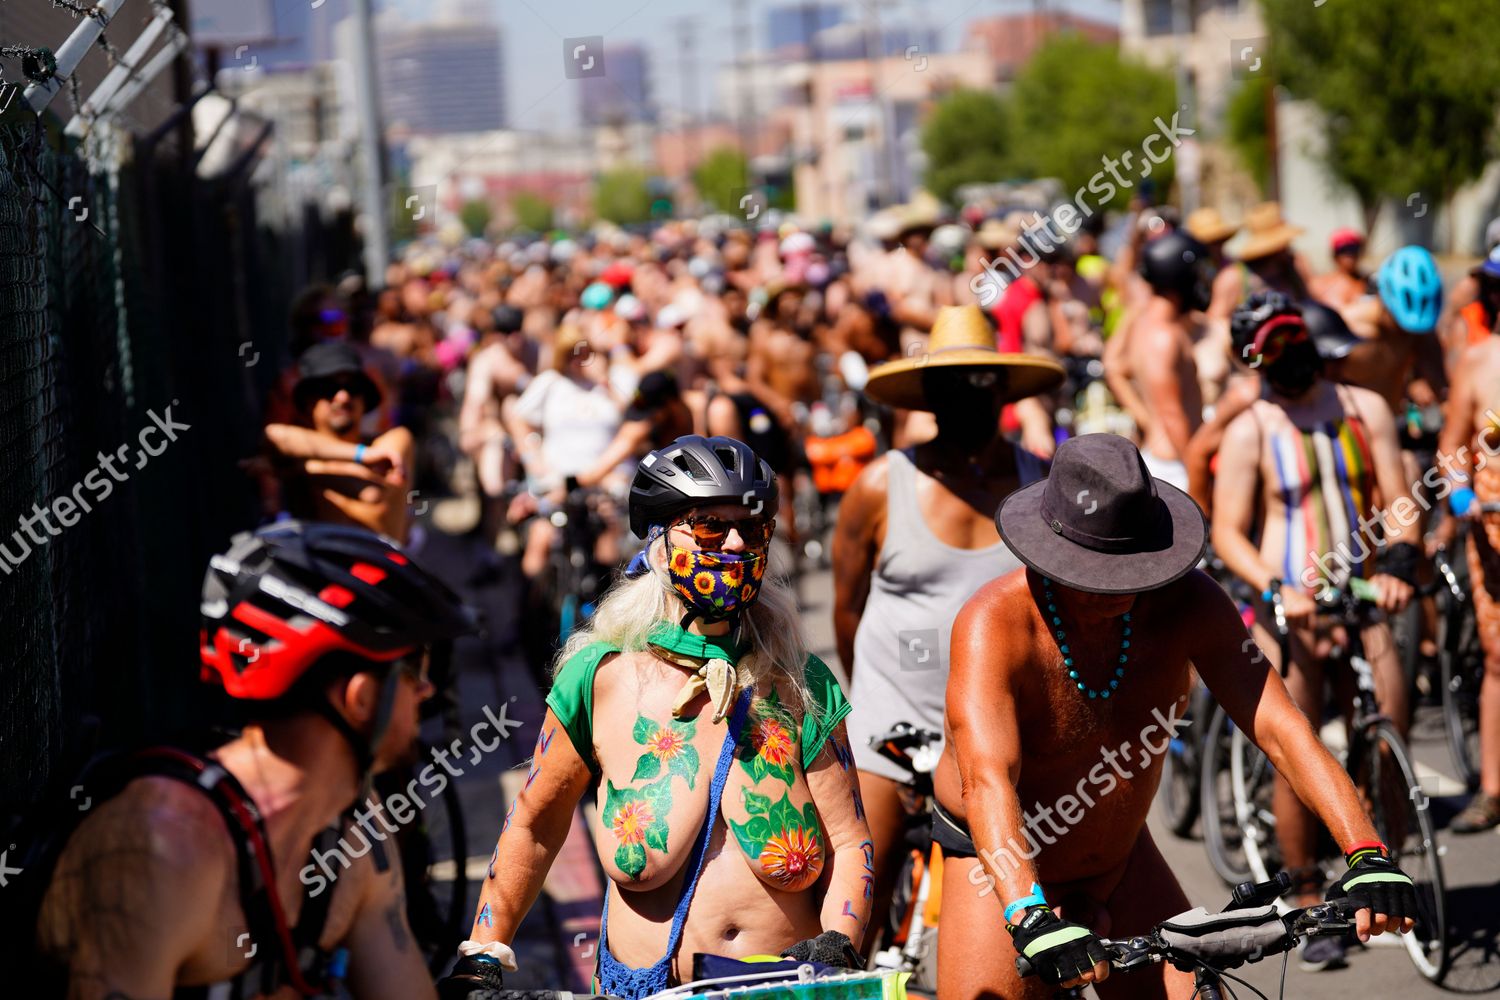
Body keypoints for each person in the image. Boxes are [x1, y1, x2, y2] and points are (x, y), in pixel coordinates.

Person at [930, 434, 1418, 999]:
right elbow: (987, 778)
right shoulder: (994, 623)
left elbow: (1281, 728)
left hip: (1120, 860)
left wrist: (1366, 851)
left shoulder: (1190, 602)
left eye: (1132, 565)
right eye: (1096, 570)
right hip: (997, 868)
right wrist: (1027, 912)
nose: (1120, 586)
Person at [442, 436, 871, 999]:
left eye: (752, 528)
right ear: (660, 542)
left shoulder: (800, 682)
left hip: (782, 990)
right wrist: (484, 953)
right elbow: (534, 825)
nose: (735, 543)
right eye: (710, 527)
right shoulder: (598, 678)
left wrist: (838, 942)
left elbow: (849, 841)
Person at [34, 522, 477, 999]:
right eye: (414, 672)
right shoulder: (162, 848)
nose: (427, 691)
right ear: (361, 697)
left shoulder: (355, 833)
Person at [831, 304, 1065, 944]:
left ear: (1004, 392)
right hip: (892, 730)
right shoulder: (879, 485)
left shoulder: (1040, 486)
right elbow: (847, 610)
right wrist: (876, 706)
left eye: (983, 382)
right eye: (952, 384)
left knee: (1025, 917)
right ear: (929, 396)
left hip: (1001, 735)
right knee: (855, 909)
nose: (970, 396)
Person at [1213, 293, 1419, 970]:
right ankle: (1306, 895)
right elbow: (1227, 531)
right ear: (1256, 361)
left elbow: (1399, 499)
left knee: (1390, 725)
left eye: (1292, 339)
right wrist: (1276, 589)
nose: (1288, 356)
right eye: (1270, 348)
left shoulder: (1365, 408)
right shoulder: (1252, 428)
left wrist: (1398, 561)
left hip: (1361, 596)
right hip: (1292, 607)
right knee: (1295, 746)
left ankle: (1385, 870)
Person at [1435, 316, 1500, 832]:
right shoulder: (1479, 362)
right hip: (1494, 531)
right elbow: (1453, 448)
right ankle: (1493, 789)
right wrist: (1459, 493)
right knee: (1499, 658)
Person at [264, 341, 415, 544]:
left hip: (382, 560)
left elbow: (371, 492)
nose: (343, 397)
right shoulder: (297, 447)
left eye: (353, 388)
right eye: (329, 388)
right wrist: (362, 455)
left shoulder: (391, 440)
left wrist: (298, 471)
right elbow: (274, 435)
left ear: (364, 399)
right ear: (309, 401)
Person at [1128, 229, 1217, 491]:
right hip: (1175, 469)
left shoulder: (1148, 324)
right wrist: (1198, 480)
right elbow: (1171, 415)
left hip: (1174, 463)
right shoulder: (1163, 336)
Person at [1340, 245, 1447, 417]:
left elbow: (1442, 389)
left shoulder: (1420, 333)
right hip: (1347, 424)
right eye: (1399, 323)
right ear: (1383, 298)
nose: (1405, 333)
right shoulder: (1347, 326)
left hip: (1392, 422)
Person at [1310, 228, 1370, 309]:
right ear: (1335, 255)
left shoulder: (1370, 283)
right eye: (1343, 250)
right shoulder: (1319, 285)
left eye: (1353, 249)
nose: (1349, 255)